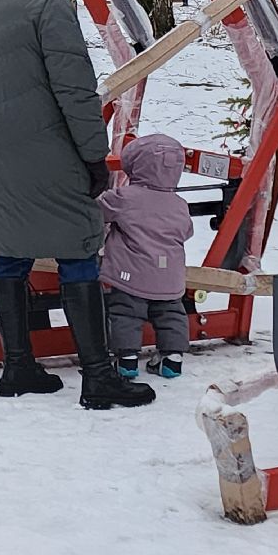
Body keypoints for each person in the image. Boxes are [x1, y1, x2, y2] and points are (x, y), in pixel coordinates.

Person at [0, 0, 154, 409]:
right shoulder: (49, 6)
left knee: (7, 253)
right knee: (78, 252)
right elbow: (75, 92)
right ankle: (99, 376)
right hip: (49, 155)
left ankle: (17, 366)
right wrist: (94, 157)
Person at [98, 133, 194, 380]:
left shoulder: (124, 197)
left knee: (126, 313)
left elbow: (97, 212)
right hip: (169, 276)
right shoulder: (179, 204)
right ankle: (172, 360)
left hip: (132, 274)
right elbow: (187, 231)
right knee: (172, 315)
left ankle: (127, 360)